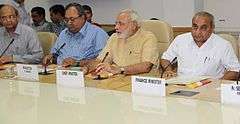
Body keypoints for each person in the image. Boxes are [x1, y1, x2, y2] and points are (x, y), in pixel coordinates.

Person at [161, 11, 240, 80]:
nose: (198, 32)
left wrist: (218, 83)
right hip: (181, 85)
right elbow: (165, 59)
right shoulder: (180, 40)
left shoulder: (223, 45)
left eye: (203, 28)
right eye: (195, 27)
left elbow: (235, 70)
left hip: (208, 88)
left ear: (212, 28)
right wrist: (168, 70)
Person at [93, 9, 159, 75]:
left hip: (140, 80)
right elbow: (103, 59)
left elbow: (146, 66)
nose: (116, 27)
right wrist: (90, 67)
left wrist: (120, 69)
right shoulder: (114, 37)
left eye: (121, 24)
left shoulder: (148, 37)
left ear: (133, 25)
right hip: (117, 79)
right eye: (116, 23)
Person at [43, 3, 108, 67]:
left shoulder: (98, 33)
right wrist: (49, 57)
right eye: (66, 19)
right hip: (60, 69)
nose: (69, 23)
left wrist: (78, 63)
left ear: (82, 17)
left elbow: (104, 60)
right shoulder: (63, 33)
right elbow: (54, 53)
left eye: (72, 19)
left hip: (84, 72)